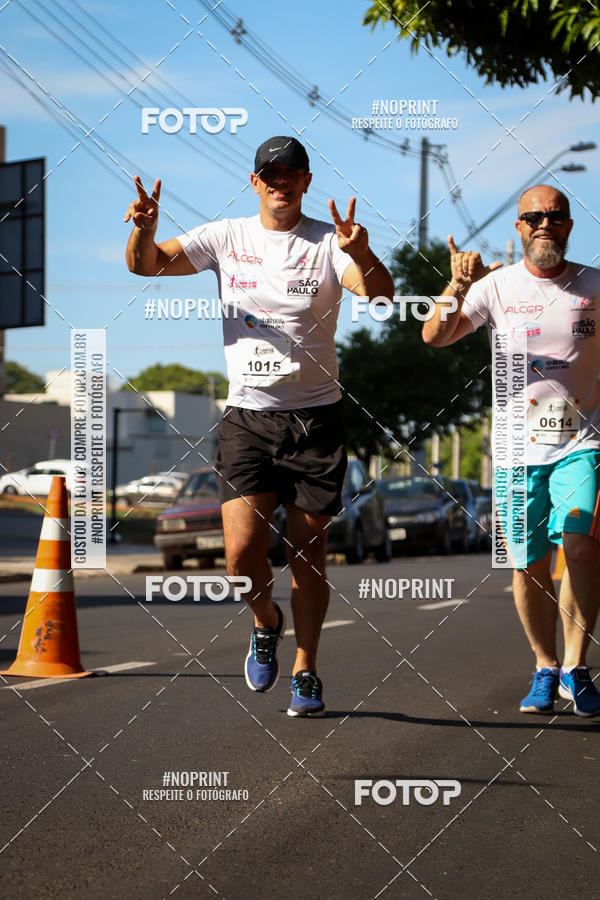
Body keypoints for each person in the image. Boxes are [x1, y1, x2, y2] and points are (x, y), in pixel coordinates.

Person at [124, 136, 394, 716]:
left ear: (306, 181)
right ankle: (266, 620)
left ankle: (306, 669)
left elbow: (380, 295)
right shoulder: (226, 237)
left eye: (291, 172)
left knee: (308, 556)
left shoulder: (330, 242)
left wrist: (364, 253)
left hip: (316, 420)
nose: (280, 181)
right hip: (247, 419)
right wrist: (145, 229)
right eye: (270, 173)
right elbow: (145, 264)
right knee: (240, 557)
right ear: (255, 183)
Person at [422, 184, 600, 717]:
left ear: (569, 225)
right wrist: (457, 284)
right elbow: (435, 335)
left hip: (582, 444)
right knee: (528, 567)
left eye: (556, 216)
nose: (546, 224)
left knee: (581, 546)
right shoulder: (495, 287)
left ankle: (577, 668)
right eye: (534, 217)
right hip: (517, 453)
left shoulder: (594, 286)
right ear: (520, 227)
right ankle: (546, 666)